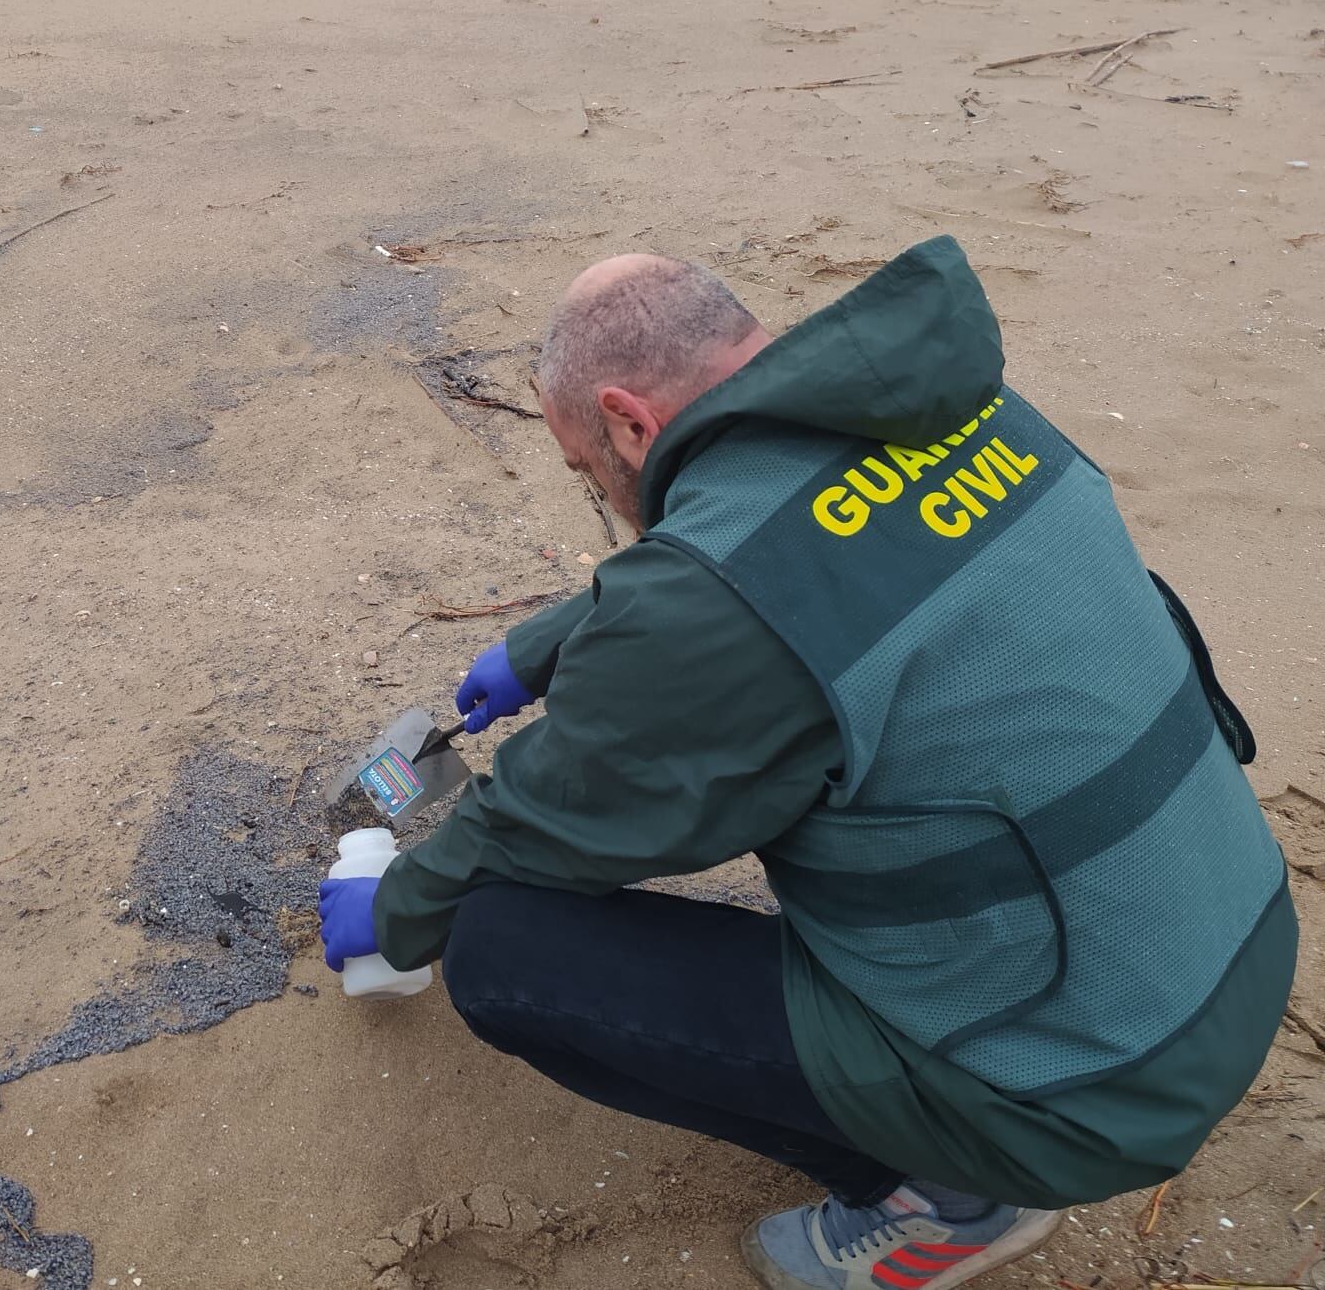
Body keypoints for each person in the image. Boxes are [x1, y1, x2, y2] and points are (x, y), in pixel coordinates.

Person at [316, 237, 1295, 1290]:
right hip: (1228, 947)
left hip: (1081, 1090)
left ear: (626, 423)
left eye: (587, 468)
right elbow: (817, 552)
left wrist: (397, 909)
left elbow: (551, 821)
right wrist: (548, 641)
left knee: (505, 948)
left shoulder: (710, 613)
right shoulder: (960, 414)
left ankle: (945, 1201)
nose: (600, 492)